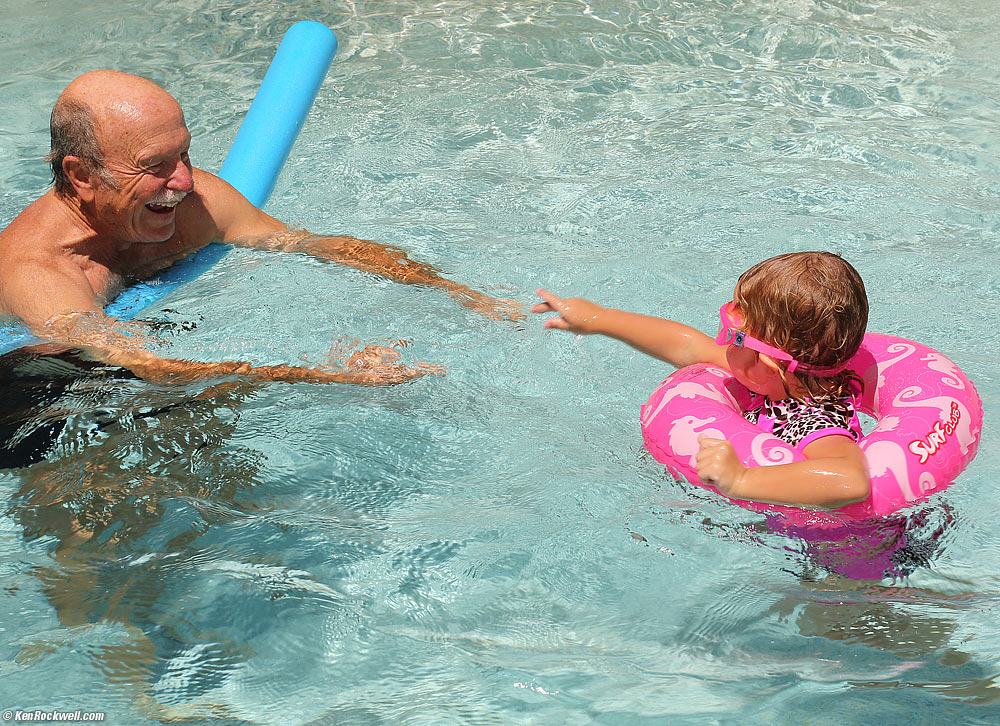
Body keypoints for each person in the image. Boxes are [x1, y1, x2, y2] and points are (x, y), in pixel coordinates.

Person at [0, 70, 520, 386]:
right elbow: (148, 368)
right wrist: (331, 376)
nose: (182, 179)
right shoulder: (40, 273)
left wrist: (463, 294)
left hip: (133, 351)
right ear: (82, 174)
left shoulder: (192, 201)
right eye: (155, 164)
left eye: (183, 152)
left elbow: (314, 244)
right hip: (39, 382)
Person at [533, 251, 871, 509]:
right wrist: (599, 319)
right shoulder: (775, 380)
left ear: (768, 363)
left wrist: (742, 479)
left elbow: (851, 481)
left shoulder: (810, 422)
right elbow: (690, 345)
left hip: (836, 559)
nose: (722, 342)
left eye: (735, 336)